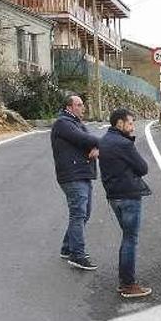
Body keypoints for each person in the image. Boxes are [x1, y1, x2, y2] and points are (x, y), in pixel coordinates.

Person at [98, 109, 152, 299]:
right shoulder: (124, 143)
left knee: (127, 237)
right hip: (129, 195)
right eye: (130, 123)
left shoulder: (103, 141)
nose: (132, 126)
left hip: (113, 196)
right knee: (130, 239)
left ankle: (125, 281)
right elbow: (143, 168)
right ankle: (128, 284)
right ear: (119, 123)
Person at [51, 94, 99, 271]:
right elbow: (84, 140)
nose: (82, 108)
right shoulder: (63, 123)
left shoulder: (76, 123)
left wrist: (94, 146)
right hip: (72, 175)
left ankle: (67, 247)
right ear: (69, 107)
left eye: (82, 105)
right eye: (78, 105)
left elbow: (87, 141)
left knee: (83, 214)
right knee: (78, 214)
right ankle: (77, 255)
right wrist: (100, 143)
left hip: (81, 174)